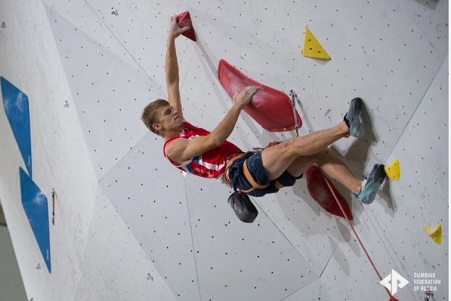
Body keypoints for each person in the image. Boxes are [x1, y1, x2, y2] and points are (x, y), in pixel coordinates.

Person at [141, 16, 386, 204]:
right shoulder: (173, 148)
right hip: (239, 172)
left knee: (317, 155)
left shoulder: (180, 127)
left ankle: (359, 189)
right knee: (289, 146)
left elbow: (171, 81)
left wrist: (171, 39)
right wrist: (237, 106)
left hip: (247, 171)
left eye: (170, 109)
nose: (174, 110)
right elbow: (216, 139)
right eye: (167, 113)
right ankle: (346, 126)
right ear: (158, 126)